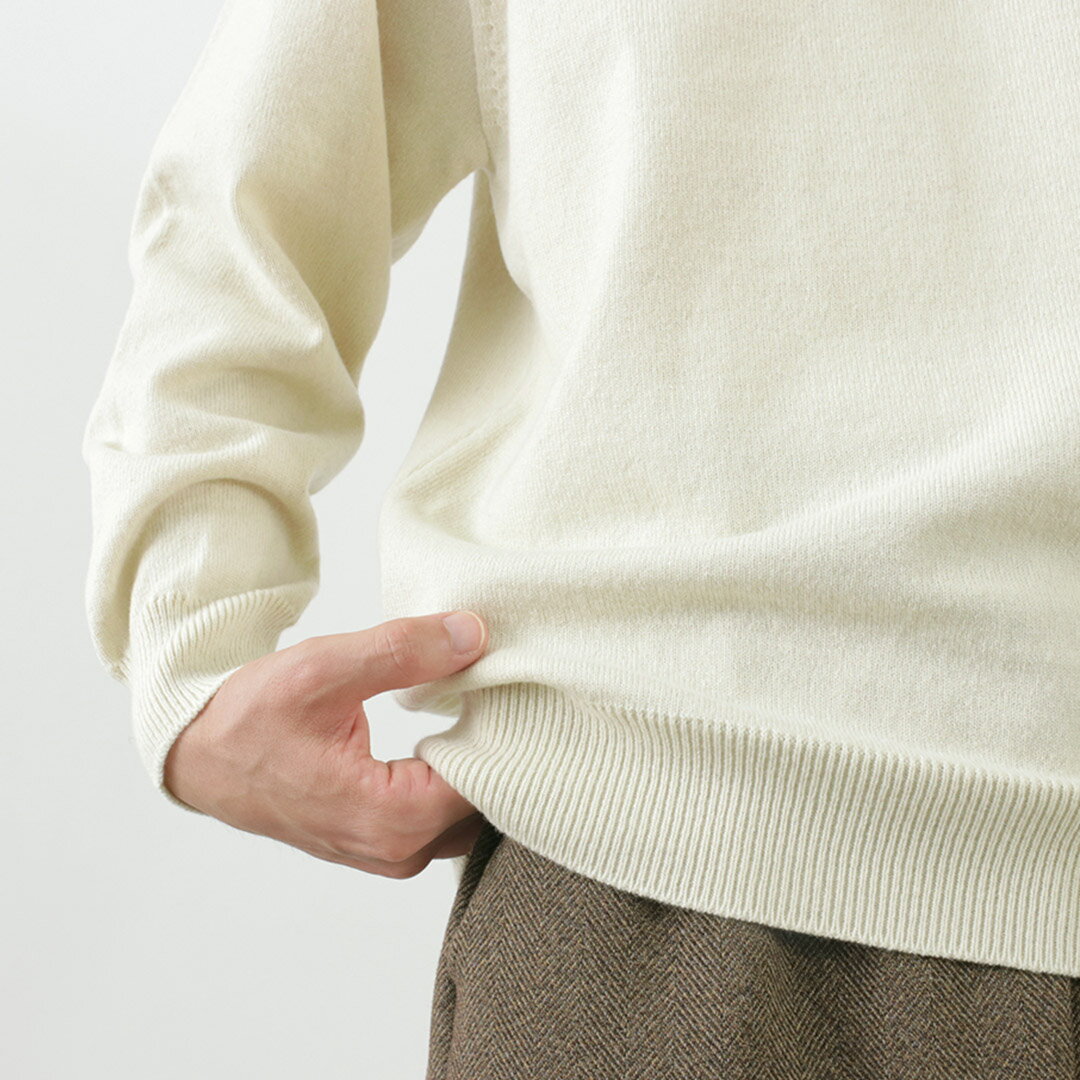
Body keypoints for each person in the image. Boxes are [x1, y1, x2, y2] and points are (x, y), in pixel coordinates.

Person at [82, 0, 1080, 1076]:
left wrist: (190, 629)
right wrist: (186, 635)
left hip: (661, 864)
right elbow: (259, 179)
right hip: (663, 868)